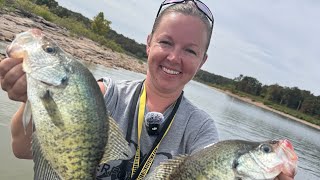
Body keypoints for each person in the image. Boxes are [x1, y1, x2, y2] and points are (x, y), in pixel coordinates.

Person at [0, 0, 294, 180]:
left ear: (202, 61)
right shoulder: (103, 94)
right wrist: (32, 98)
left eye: (190, 51)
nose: (174, 58)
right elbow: (21, 149)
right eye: (166, 43)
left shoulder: (201, 130)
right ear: (149, 42)